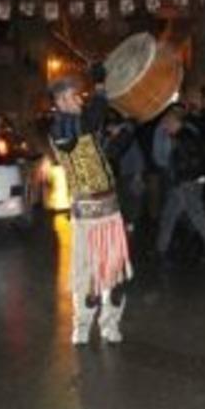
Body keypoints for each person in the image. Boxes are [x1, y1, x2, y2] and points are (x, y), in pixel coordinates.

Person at [48, 68, 134, 345]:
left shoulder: (81, 129)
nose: (79, 101)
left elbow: (103, 155)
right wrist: (98, 86)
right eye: (74, 97)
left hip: (109, 211)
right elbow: (90, 119)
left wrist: (124, 135)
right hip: (87, 214)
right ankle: (82, 326)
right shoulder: (62, 126)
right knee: (86, 274)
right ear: (61, 102)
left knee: (114, 272)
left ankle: (109, 324)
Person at [153, 107, 205, 259]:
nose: (164, 127)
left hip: (185, 183)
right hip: (185, 182)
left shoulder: (182, 138)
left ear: (174, 122)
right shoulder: (186, 135)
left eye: (166, 124)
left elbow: (188, 162)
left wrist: (182, 179)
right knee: (171, 215)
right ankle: (161, 247)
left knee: (194, 215)